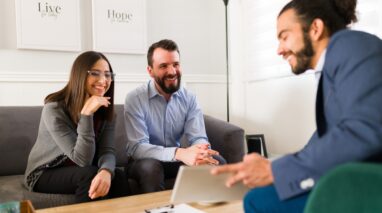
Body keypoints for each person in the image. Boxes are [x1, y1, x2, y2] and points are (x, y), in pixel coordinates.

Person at [211, 0, 382, 212]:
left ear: (315, 29)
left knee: (258, 201)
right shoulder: (334, 64)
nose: (279, 50)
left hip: (369, 181)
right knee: (259, 196)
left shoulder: (350, 45)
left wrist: (275, 171)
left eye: (285, 36)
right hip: (353, 176)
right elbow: (326, 138)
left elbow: (364, 131)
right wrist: (271, 168)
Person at [24, 51, 130, 203]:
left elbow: (107, 151)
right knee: (90, 174)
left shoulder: (107, 112)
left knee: (117, 176)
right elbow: (82, 160)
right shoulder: (54, 110)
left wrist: (106, 171)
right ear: (80, 75)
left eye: (108, 75)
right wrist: (86, 114)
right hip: (46, 172)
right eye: (95, 73)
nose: (103, 80)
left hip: (83, 168)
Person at [124, 39, 224, 193]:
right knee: (151, 168)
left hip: (175, 159)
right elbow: (138, 148)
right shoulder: (135, 98)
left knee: (216, 161)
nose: (172, 71)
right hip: (143, 162)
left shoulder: (189, 98)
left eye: (175, 64)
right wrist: (179, 153)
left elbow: (198, 137)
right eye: (163, 66)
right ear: (150, 71)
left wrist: (202, 153)